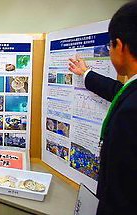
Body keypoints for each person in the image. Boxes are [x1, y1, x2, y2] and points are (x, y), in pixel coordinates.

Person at [68, 2, 137, 214]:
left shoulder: (131, 111)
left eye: (110, 46)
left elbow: (122, 191)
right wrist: (86, 74)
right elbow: (121, 91)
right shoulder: (132, 93)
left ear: (120, 45)